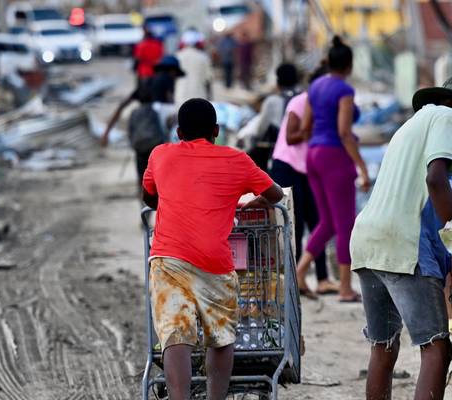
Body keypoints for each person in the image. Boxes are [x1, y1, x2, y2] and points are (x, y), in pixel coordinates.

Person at [349, 75, 452, 400]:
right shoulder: (448, 116)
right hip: (403, 244)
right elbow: (435, 181)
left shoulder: (411, 125)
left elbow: (422, 201)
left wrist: (448, 261)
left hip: (368, 241)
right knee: (437, 347)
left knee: (384, 346)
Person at [142, 98, 284, 400]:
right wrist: (248, 201)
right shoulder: (237, 160)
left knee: (175, 333)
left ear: (179, 132)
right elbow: (274, 194)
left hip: (168, 259)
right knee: (221, 337)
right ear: (217, 130)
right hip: (215, 263)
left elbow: (150, 197)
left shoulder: (160, 155)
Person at [296, 36, 367, 303]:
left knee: (327, 221)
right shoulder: (344, 91)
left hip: (314, 154)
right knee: (345, 223)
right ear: (348, 65)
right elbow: (345, 132)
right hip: (334, 156)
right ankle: (346, 287)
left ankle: (301, 271)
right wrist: (362, 167)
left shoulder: (315, 86)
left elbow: (305, 127)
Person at [268, 65, 334, 298]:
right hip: (288, 166)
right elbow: (291, 136)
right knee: (293, 222)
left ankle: (323, 278)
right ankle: (296, 279)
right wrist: (312, 128)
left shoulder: (329, 106)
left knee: (318, 220)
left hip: (309, 168)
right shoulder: (300, 102)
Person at [101, 56, 187, 148]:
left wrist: (106, 132)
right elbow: (170, 102)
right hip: (159, 137)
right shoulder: (168, 79)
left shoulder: (145, 83)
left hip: (142, 135)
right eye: (175, 75)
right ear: (172, 71)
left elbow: (122, 106)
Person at [175, 36, 212, 103]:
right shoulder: (203, 57)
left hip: (181, 96)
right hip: (199, 96)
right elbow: (208, 78)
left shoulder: (178, 56)